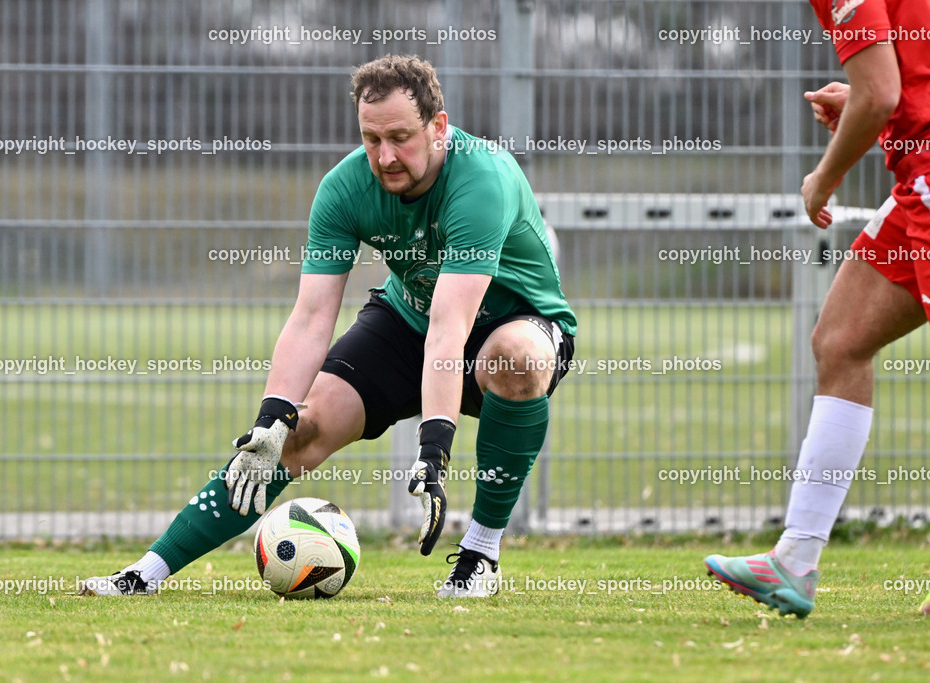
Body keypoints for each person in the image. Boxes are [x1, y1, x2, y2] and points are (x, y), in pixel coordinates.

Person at [81, 54, 577, 598]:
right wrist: (272, 419)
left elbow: (451, 322)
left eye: (400, 137)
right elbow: (313, 315)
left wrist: (433, 447)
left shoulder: (481, 177)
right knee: (298, 434)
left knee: (514, 357)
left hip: (518, 326)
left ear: (438, 126)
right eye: (371, 139)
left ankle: (480, 554)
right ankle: (144, 575)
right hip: (409, 318)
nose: (385, 156)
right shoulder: (344, 188)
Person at [705, 0, 930, 618]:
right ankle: (795, 561)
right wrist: (868, 107)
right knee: (841, 340)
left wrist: (822, 180)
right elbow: (921, 81)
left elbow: (881, 92)